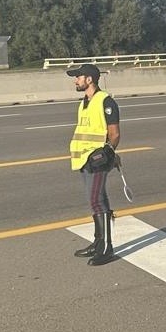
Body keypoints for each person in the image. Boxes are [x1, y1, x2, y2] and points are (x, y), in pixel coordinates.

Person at [67, 63, 121, 266]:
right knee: (96, 201)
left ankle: (106, 248)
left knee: (96, 201)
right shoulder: (84, 102)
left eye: (78, 77)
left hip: (98, 160)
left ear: (89, 79)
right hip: (84, 159)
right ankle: (98, 243)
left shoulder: (106, 101)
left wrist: (107, 153)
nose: (75, 80)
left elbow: (114, 134)